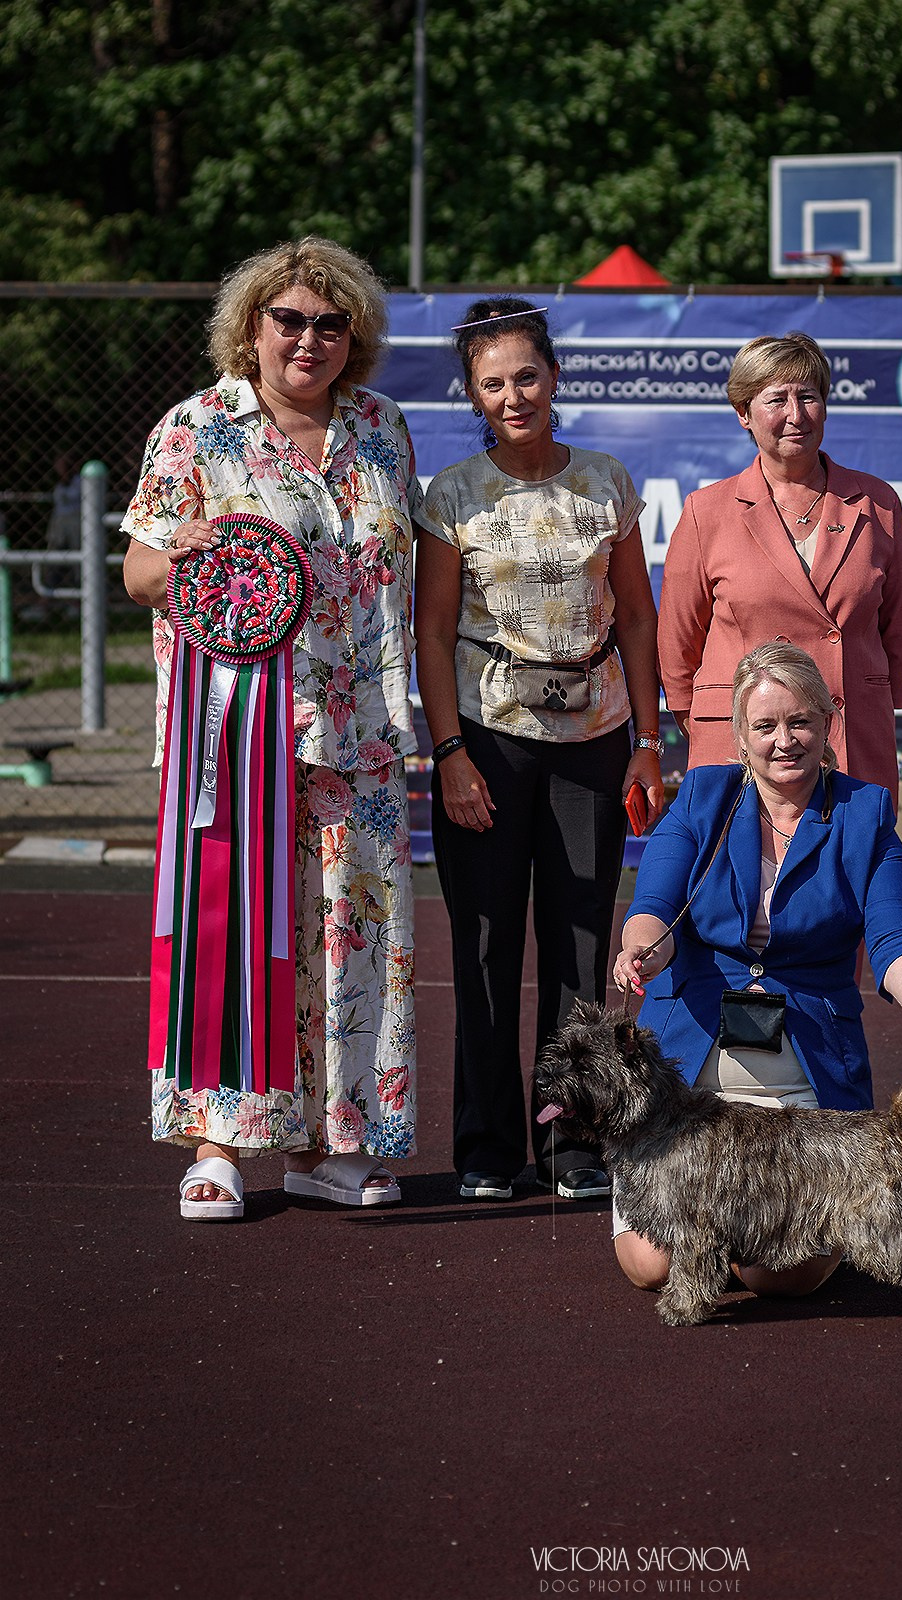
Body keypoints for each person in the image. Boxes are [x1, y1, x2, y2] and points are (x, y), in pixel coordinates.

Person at [122, 236, 424, 1219]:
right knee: (235, 932)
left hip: (365, 733)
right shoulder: (195, 429)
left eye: (330, 323)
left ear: (355, 337)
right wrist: (185, 554)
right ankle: (217, 1142)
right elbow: (140, 574)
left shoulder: (383, 429)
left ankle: (333, 1145)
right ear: (250, 327)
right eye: (287, 318)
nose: (308, 338)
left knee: (355, 939)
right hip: (238, 737)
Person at [611, 642, 902, 1297]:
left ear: (828, 722)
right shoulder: (702, 797)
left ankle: (737, 1234)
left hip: (798, 1102)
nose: (785, 741)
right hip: (687, 1100)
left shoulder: (863, 817)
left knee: (779, 1278)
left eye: (800, 722)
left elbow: (896, 937)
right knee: (651, 1266)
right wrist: (642, 948)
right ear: (739, 735)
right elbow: (654, 908)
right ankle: (713, 1232)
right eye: (765, 726)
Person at [415, 297, 664, 1202]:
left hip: (595, 743)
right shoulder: (450, 495)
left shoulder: (605, 480)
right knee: (483, 948)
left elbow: (636, 615)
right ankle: (485, 1151)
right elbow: (433, 633)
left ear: (554, 377)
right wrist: (449, 751)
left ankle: (574, 1146)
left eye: (526, 375)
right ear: (474, 397)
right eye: (492, 383)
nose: (512, 395)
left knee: (580, 948)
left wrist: (648, 741)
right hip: (486, 742)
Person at [657, 331, 902, 807]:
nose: (796, 415)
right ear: (744, 414)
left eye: (809, 397)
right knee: (737, 873)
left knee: (849, 868)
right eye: (777, 399)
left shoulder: (878, 503)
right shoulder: (706, 510)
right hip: (741, 743)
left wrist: (876, 698)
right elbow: (678, 641)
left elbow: (897, 628)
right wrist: (707, 716)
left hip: (848, 730)